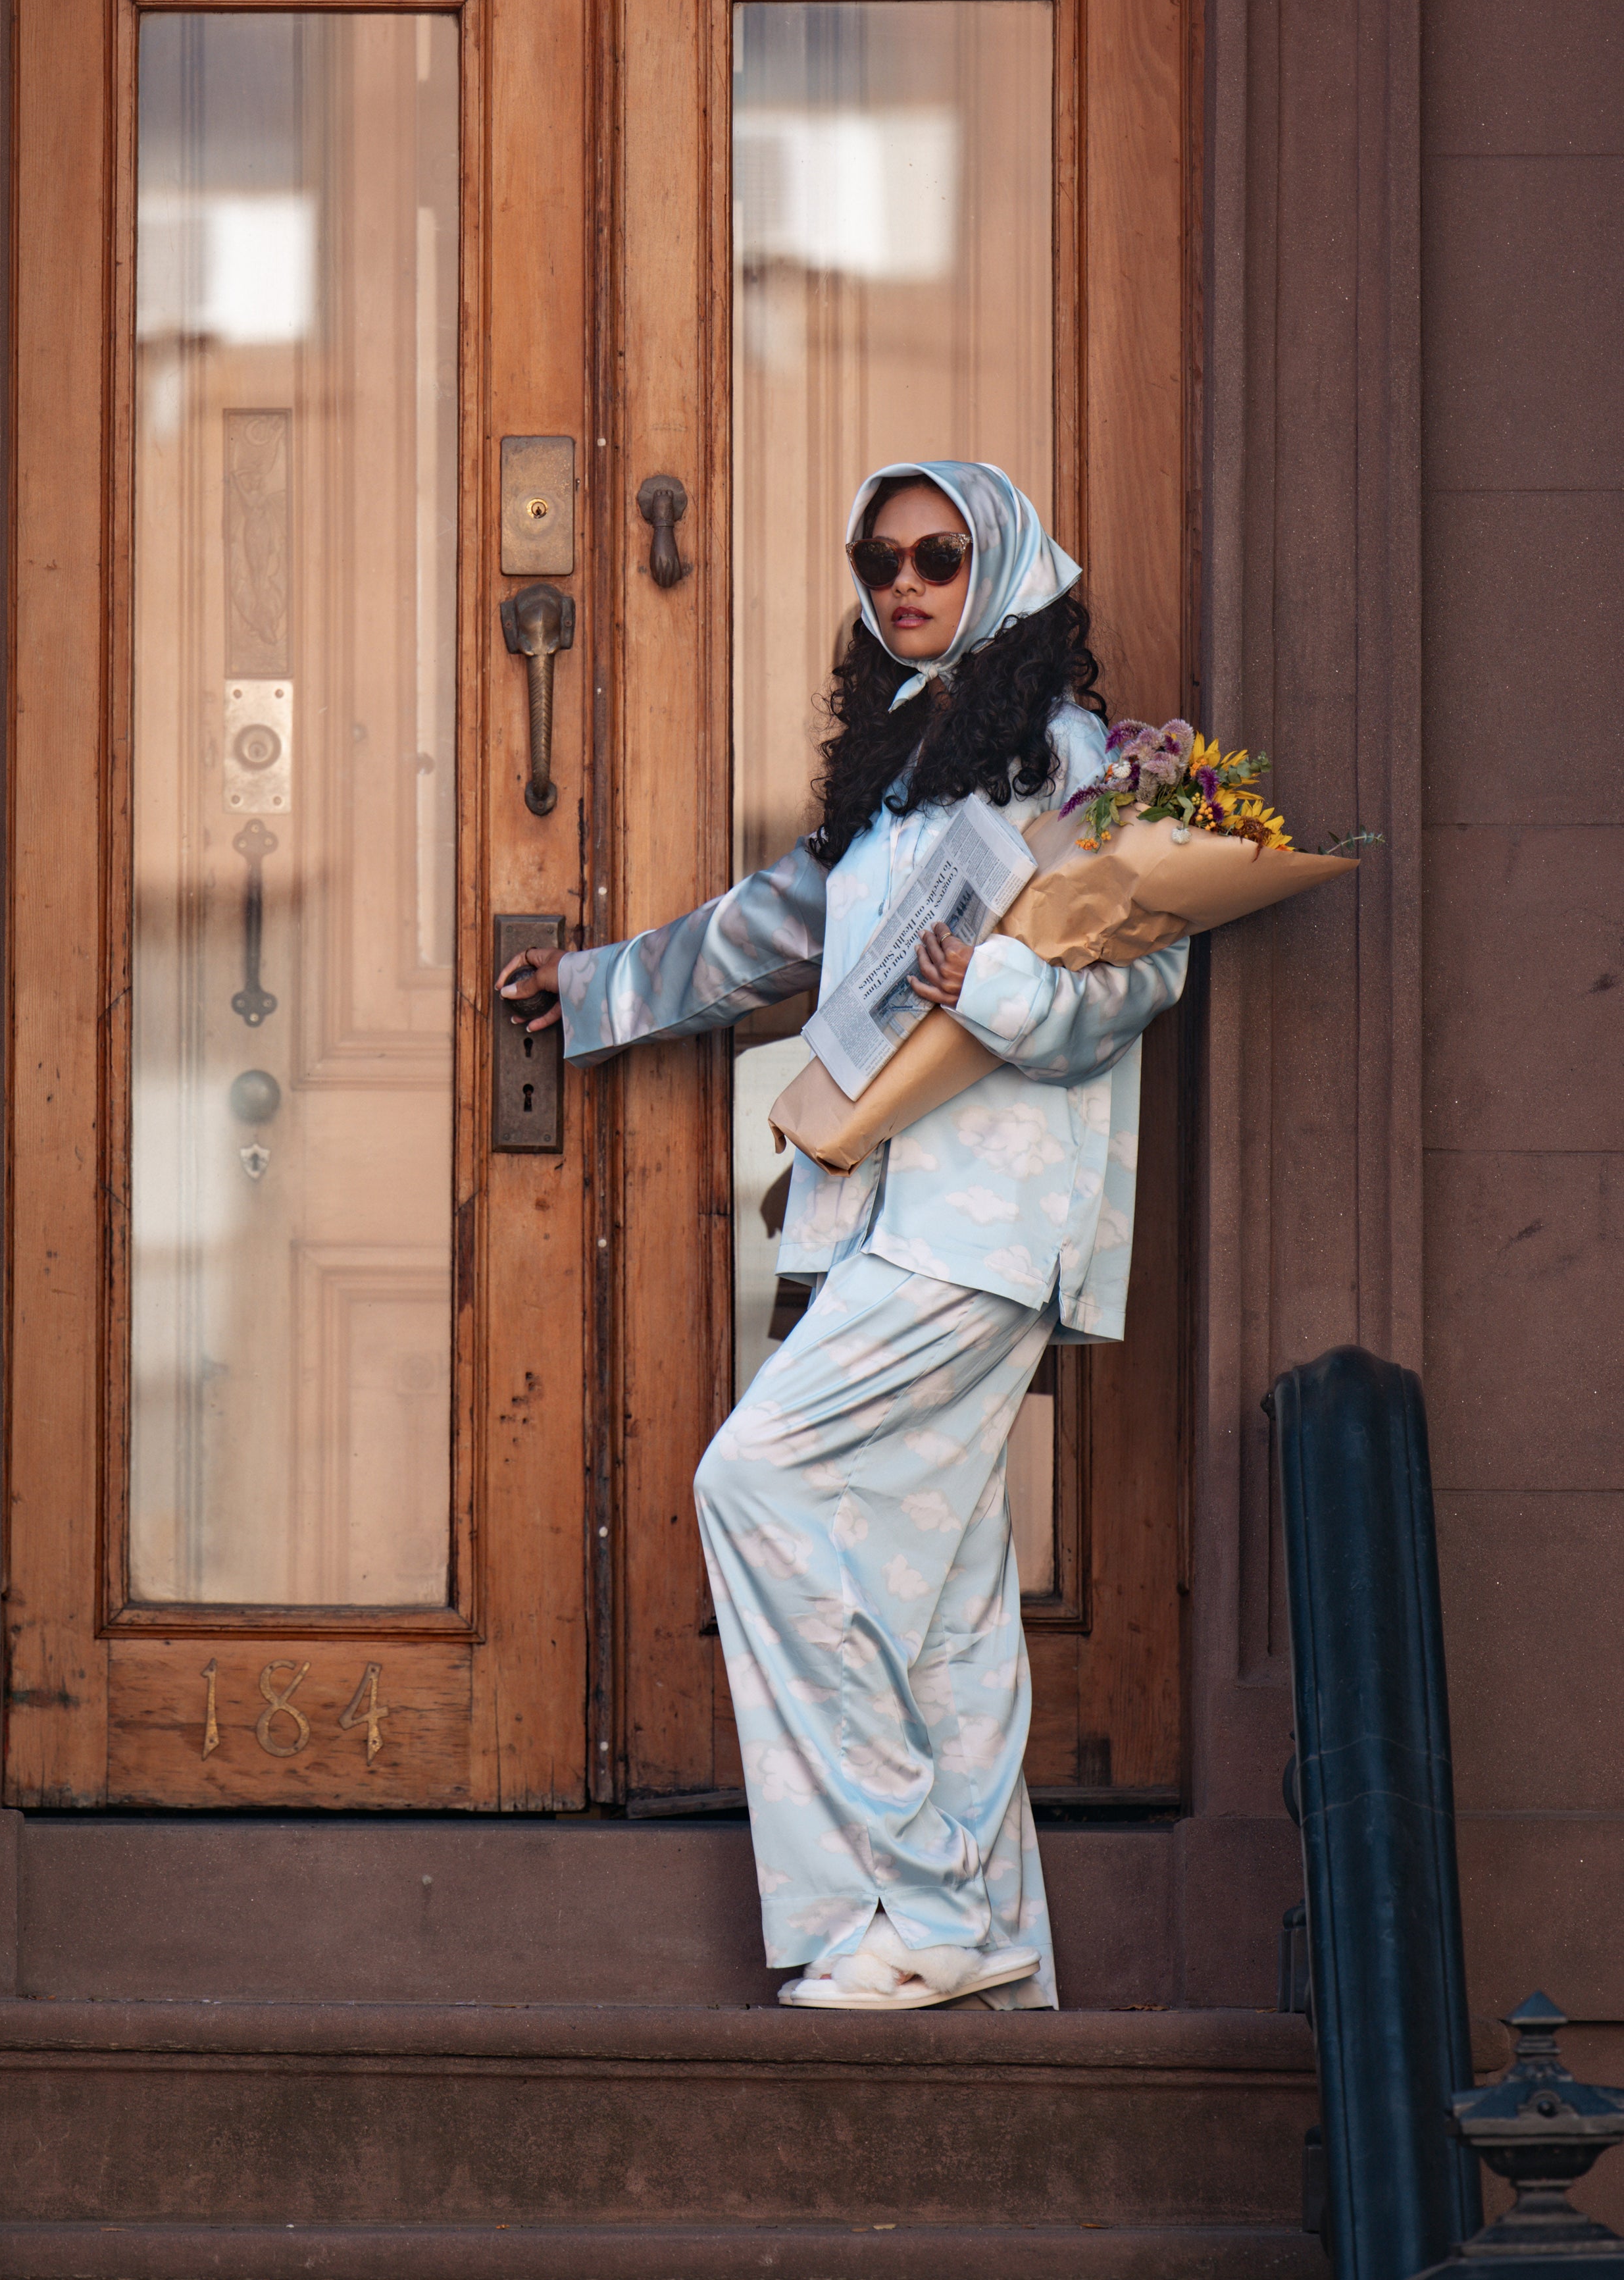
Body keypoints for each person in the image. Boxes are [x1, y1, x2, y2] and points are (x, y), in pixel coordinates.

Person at [497, 461, 1188, 2011]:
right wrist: (601, 988)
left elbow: (1137, 986)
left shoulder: (1073, 761)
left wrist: (985, 990)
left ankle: (928, 1905)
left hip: (989, 1229)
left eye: (938, 557)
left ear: (1001, 571)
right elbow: (779, 927)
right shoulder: (911, 756)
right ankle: (1005, 1977)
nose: (905, 585)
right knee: (944, 1606)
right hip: (892, 1217)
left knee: (756, 1482)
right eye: (879, 561)